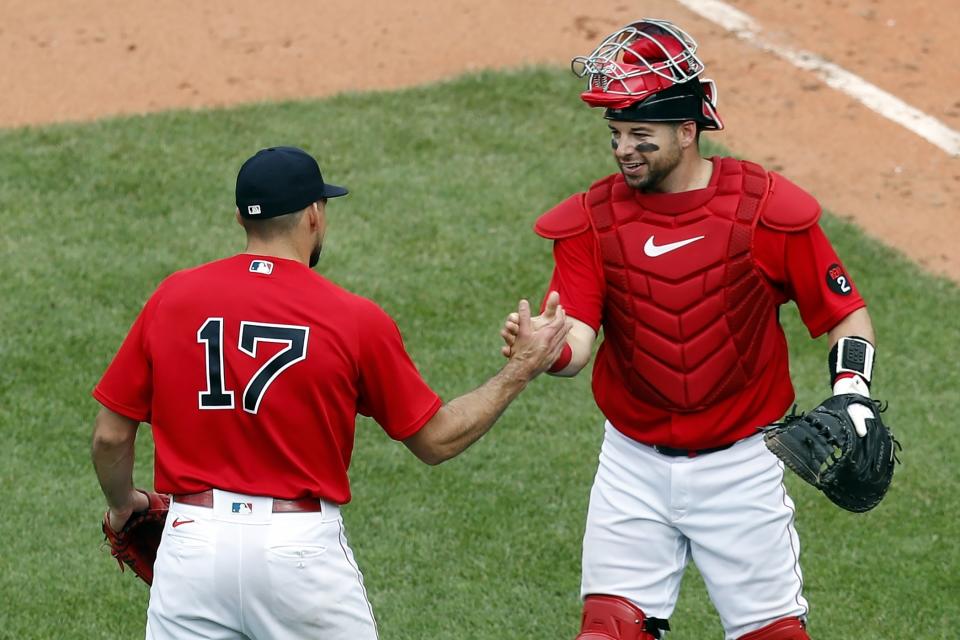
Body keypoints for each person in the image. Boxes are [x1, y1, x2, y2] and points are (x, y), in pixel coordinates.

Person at [91, 145, 570, 640]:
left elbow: (109, 436)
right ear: (315, 216)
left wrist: (124, 502)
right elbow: (437, 440)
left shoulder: (173, 297)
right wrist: (521, 368)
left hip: (193, 546)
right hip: (297, 554)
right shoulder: (352, 318)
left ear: (240, 217)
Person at [500, 19, 880, 640]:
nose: (624, 149)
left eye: (640, 135)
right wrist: (546, 348)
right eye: (616, 134)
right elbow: (578, 344)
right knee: (607, 633)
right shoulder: (591, 222)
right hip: (632, 467)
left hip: (742, 465)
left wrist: (853, 393)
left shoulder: (765, 210)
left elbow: (843, 313)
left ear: (687, 130)